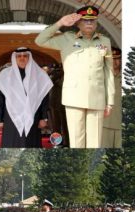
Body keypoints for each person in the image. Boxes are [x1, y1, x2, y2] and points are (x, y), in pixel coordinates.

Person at [35, 5, 115, 148]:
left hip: (97, 98)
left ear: (96, 22)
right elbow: (39, 41)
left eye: (92, 20)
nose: (89, 23)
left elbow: (108, 71)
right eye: (85, 20)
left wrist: (110, 101)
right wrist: (60, 23)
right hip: (74, 98)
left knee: (94, 143)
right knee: (76, 142)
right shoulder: (66, 39)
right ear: (78, 23)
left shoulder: (105, 42)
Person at [0, 47, 52, 148]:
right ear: (14, 58)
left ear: (29, 58)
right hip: (11, 118)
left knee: (31, 145)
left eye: (25, 56)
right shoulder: (5, 75)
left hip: (33, 117)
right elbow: (0, 99)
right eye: (18, 56)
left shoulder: (39, 75)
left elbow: (44, 98)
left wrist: (44, 118)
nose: (22, 58)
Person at [102, 47, 122, 148]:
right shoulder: (102, 77)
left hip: (120, 124)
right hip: (105, 123)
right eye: (112, 59)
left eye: (117, 59)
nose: (114, 62)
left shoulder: (127, 77)